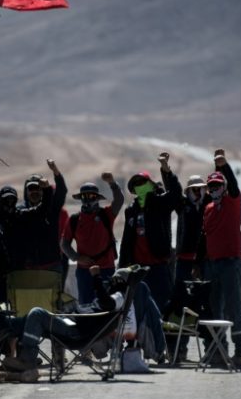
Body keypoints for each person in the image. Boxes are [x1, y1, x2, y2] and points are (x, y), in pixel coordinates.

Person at [1, 265, 137, 372]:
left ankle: (27, 359)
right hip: (73, 325)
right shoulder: (120, 298)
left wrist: (96, 278)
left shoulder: (119, 296)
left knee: (37, 313)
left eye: (112, 281)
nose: (110, 284)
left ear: (119, 281)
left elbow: (107, 302)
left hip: (75, 332)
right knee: (23, 320)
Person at [196, 148, 241, 367]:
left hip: (230, 262)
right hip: (212, 264)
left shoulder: (232, 202)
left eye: (218, 185)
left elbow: (234, 185)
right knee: (214, 309)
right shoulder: (208, 208)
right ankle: (218, 351)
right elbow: (204, 237)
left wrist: (221, 165)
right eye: (211, 186)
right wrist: (199, 264)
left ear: (224, 187)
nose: (215, 189)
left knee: (233, 308)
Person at [119, 152, 182, 311]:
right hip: (137, 270)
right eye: (136, 184)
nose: (140, 185)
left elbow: (175, 195)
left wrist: (166, 169)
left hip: (158, 267)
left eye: (143, 182)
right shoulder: (131, 211)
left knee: (161, 308)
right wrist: (121, 268)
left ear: (151, 185)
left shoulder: (160, 204)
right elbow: (126, 241)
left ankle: (163, 337)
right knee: (137, 309)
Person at [60, 173, 124, 303]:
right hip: (85, 272)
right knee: (86, 306)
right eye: (85, 196)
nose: (88, 198)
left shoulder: (107, 214)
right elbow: (64, 244)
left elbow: (119, 201)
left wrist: (112, 183)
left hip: (106, 269)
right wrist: (77, 258)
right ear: (81, 198)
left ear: (97, 198)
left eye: (92, 196)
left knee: (108, 305)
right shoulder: (74, 220)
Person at [164, 174, 207, 362]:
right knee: (179, 306)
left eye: (200, 189)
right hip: (183, 262)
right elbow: (173, 190)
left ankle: (210, 349)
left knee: (202, 306)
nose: (197, 192)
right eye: (194, 189)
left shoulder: (208, 207)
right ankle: (177, 350)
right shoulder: (183, 205)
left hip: (202, 263)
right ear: (188, 191)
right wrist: (166, 170)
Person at [16, 159, 67, 272]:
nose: (35, 192)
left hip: (52, 266)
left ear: (43, 191)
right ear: (26, 191)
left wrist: (55, 171)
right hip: (27, 268)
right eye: (31, 188)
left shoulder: (52, 208)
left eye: (38, 188)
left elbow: (62, 191)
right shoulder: (19, 211)